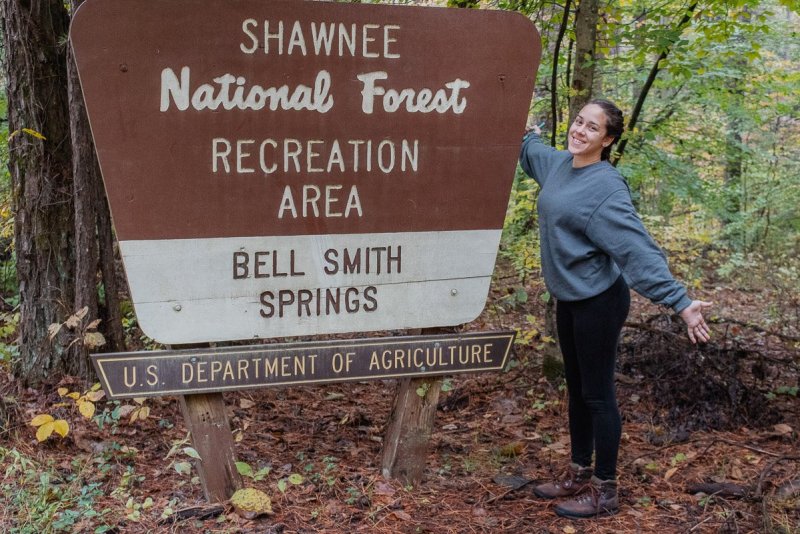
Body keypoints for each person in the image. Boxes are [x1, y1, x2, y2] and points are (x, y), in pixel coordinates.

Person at [519, 99, 712, 519]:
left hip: (599, 302)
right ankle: (577, 471)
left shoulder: (606, 187)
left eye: (592, 128)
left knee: (597, 395)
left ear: (606, 139)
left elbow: (635, 248)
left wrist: (679, 301)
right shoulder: (558, 166)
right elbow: (528, 149)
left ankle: (604, 491)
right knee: (576, 389)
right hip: (569, 299)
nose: (579, 131)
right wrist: (512, 116)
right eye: (578, 122)